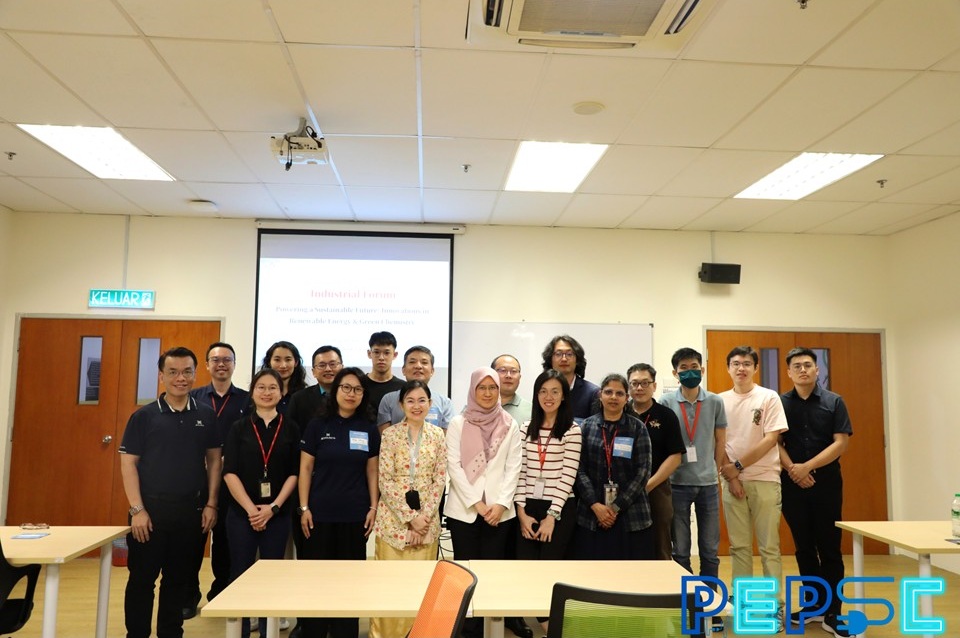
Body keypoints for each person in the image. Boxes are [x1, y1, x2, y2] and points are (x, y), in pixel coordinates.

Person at [118, 346, 221, 638]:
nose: (181, 378)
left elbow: (214, 460)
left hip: (191, 512)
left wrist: (212, 504)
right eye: (173, 372)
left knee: (178, 580)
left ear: (194, 374)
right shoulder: (144, 417)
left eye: (187, 371)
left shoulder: (205, 414)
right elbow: (128, 465)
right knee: (142, 580)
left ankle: (171, 633)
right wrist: (137, 510)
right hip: (149, 513)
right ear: (162, 376)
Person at [779, 348, 857, 638]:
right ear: (789, 372)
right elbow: (774, 441)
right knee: (803, 546)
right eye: (796, 366)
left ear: (817, 370)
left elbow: (841, 443)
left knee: (829, 548)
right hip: (791, 483)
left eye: (808, 365)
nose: (802, 370)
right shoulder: (780, 403)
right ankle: (814, 606)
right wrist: (793, 470)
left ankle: (834, 612)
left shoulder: (834, 401)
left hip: (826, 483)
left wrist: (807, 467)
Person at [297, 367, 380, 638]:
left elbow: (372, 471)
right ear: (336, 391)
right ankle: (315, 631)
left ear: (363, 395)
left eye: (357, 389)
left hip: (355, 516)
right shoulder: (318, 425)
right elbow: (306, 469)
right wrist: (304, 508)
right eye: (346, 387)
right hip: (319, 515)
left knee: (349, 582)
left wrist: (373, 507)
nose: (351, 393)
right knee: (317, 579)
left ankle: (345, 632)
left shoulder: (367, 428)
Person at [446, 367, 523, 638]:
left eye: (493, 388)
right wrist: (476, 504)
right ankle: (466, 629)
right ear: (473, 390)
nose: (488, 393)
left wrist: (501, 504)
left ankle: (491, 628)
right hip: (464, 511)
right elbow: (453, 466)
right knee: (465, 573)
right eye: (482, 388)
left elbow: (514, 467)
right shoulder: (458, 422)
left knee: (492, 573)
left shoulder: (509, 424)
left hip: (499, 513)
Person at [222, 369, 300, 638]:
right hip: (242, 514)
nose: (267, 392)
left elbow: (294, 473)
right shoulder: (239, 427)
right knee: (240, 572)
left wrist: (273, 508)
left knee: (271, 574)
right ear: (252, 391)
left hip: (276, 515)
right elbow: (229, 472)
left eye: (273, 388)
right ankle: (240, 630)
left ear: (281, 393)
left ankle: (269, 631)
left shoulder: (290, 427)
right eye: (261, 387)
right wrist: (251, 509)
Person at [718, 346, 788, 630]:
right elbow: (718, 442)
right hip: (733, 482)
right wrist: (733, 476)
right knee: (739, 547)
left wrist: (737, 466)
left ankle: (776, 606)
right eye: (735, 363)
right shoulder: (719, 400)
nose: (741, 368)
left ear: (755, 368)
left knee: (770, 546)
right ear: (728, 368)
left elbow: (771, 439)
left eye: (747, 363)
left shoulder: (769, 397)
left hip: (765, 479)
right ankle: (743, 604)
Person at [369, 380, 447, 638]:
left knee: (421, 588)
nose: (416, 405)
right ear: (401, 404)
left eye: (422, 400)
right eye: (410, 401)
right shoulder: (390, 435)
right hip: (393, 523)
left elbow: (439, 479)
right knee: (389, 588)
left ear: (430, 404)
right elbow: (385, 480)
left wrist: (422, 519)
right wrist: (410, 518)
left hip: (427, 524)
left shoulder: (437, 435)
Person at [185, 342, 249, 617]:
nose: (221, 364)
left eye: (227, 359)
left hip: (233, 482)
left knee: (226, 543)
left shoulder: (247, 400)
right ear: (207, 364)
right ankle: (188, 597)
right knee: (191, 542)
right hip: (195, 481)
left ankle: (221, 593)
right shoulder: (193, 396)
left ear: (234, 364)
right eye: (216, 360)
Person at [515, 369, 581, 636]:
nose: (548, 396)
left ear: (564, 396)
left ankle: (551, 625)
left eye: (555, 391)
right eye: (543, 391)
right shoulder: (524, 428)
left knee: (550, 568)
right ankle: (544, 620)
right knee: (527, 567)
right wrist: (521, 512)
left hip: (560, 507)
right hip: (528, 506)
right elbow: (519, 471)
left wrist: (552, 516)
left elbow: (568, 475)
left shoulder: (572, 430)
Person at [659, 347, 727, 588]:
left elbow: (721, 440)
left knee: (709, 549)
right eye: (684, 369)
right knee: (681, 549)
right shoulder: (665, 402)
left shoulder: (715, 401)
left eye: (694, 368)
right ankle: (687, 601)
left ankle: (710, 603)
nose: (690, 372)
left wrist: (716, 471)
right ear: (675, 373)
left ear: (702, 369)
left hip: (708, 484)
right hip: (676, 483)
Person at [574, 373, 653, 560]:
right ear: (600, 395)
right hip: (591, 514)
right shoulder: (586, 427)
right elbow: (578, 469)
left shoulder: (637, 428)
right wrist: (596, 505)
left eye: (619, 393)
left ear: (627, 398)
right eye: (608, 392)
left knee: (631, 576)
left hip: (631, 516)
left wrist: (615, 507)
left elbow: (643, 472)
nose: (613, 397)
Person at [626, 363, 684, 561]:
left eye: (644, 383)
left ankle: (663, 589)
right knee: (627, 544)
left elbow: (676, 455)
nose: (639, 388)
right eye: (634, 384)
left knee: (660, 544)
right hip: (624, 489)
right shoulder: (621, 414)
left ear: (654, 386)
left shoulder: (666, 416)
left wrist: (648, 485)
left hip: (656, 487)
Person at [377, 345, 454, 431]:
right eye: (412, 362)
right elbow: (385, 438)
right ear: (403, 370)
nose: (418, 366)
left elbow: (444, 439)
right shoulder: (388, 400)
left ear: (432, 371)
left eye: (424, 362)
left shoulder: (445, 403)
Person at [540, 335, 599, 422]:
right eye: (558, 354)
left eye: (569, 354)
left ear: (577, 360)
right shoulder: (542, 390)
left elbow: (594, 430)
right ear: (550, 359)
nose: (564, 359)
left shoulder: (592, 393)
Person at [287, 345, 343, 427]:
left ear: (342, 368)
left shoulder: (352, 396)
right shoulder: (299, 399)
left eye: (332, 364)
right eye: (322, 365)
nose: (328, 369)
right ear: (313, 372)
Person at [262, 341, 308, 415]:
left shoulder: (304, 396)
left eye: (288, 360)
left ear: (296, 362)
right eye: (277, 360)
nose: (283, 365)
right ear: (269, 362)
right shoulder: (260, 394)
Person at [365, 331, 405, 411]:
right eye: (376, 352)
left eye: (386, 353)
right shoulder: (359, 384)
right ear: (369, 354)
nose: (381, 358)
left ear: (394, 355)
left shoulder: (403, 387)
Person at [492, 354, 533, 424]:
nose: (508, 376)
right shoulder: (476, 408)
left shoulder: (532, 411)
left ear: (520, 377)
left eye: (513, 371)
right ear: (492, 374)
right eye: (503, 370)